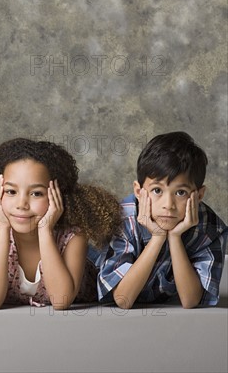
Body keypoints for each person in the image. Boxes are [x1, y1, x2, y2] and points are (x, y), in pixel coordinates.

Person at [0, 138, 121, 310]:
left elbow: (60, 301)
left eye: (36, 193)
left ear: (57, 196)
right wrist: (3, 227)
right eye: (11, 191)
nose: (21, 204)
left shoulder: (73, 237)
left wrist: (45, 230)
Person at [97, 132, 227, 309]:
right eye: (157, 190)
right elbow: (123, 299)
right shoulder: (122, 218)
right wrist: (157, 238)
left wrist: (175, 238)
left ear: (199, 195)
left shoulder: (212, 228)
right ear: (138, 191)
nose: (168, 205)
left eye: (180, 192)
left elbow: (190, 301)